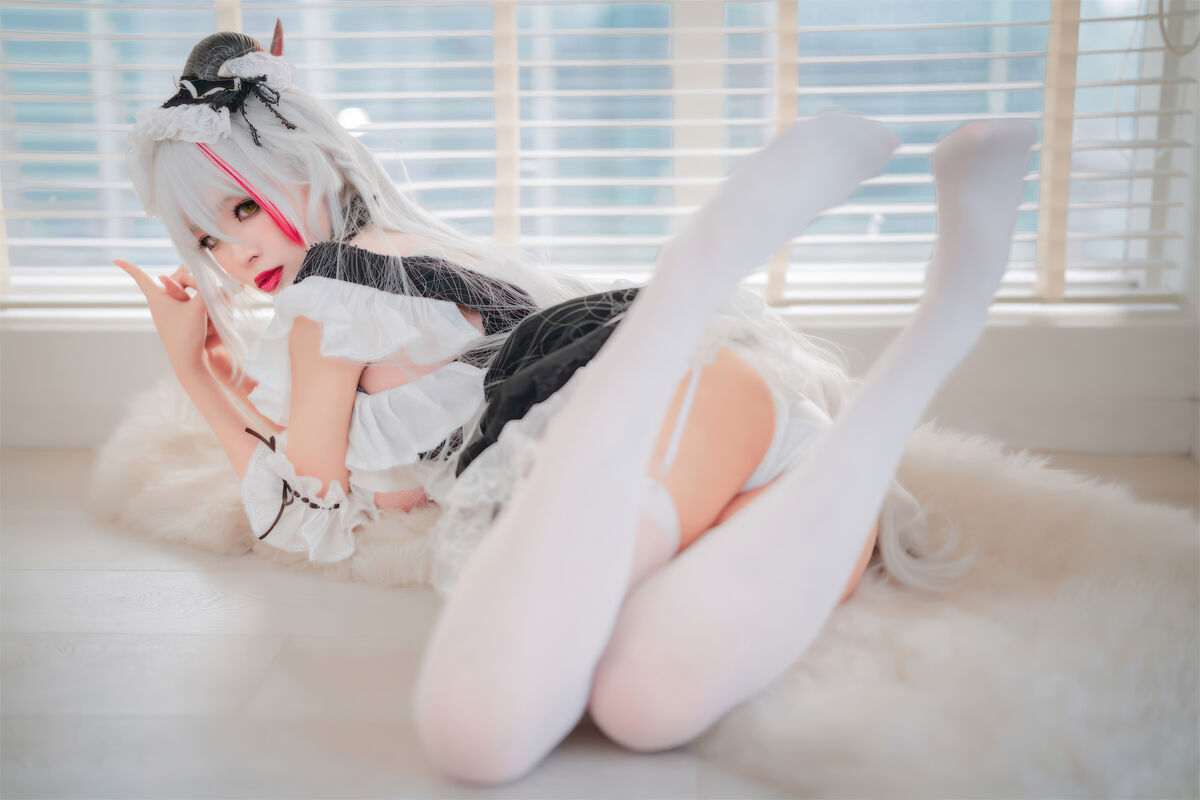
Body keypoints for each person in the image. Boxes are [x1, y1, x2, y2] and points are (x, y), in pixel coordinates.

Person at [115, 26, 1033, 786]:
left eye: (241, 210)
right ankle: (931, 324)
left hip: (659, 417)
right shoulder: (400, 253)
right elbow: (330, 453)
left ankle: (720, 285)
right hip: (732, 439)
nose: (232, 253)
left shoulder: (327, 296)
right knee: (644, 707)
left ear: (303, 161)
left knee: (480, 736)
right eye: (206, 236)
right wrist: (236, 385)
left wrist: (192, 372)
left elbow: (297, 513)